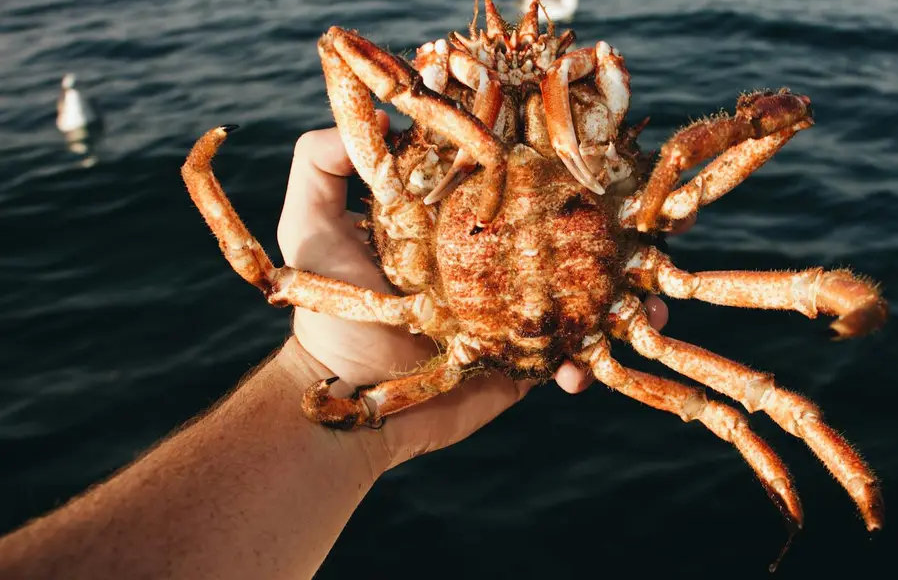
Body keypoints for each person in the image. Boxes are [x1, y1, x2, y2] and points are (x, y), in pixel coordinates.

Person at [0, 115, 671, 578]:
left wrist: (325, 381)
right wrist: (333, 376)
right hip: (454, 338)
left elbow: (274, 275)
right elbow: (275, 276)